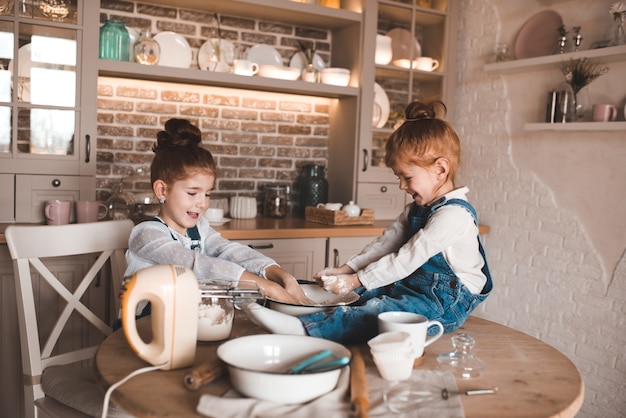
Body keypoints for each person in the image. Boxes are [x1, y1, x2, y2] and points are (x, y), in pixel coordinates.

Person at [244, 101, 493, 344]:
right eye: (399, 177)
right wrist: (348, 270)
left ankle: (302, 329)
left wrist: (357, 279)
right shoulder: (417, 209)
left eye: (407, 177)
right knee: (363, 294)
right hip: (415, 286)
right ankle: (302, 310)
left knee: (380, 311)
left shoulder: (454, 216)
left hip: (446, 302)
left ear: (440, 169)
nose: (402, 186)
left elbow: (406, 258)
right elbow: (386, 244)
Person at [124, 118, 311, 319]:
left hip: (187, 322)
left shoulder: (199, 228)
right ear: (162, 190)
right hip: (145, 330)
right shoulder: (147, 235)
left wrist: (278, 274)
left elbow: (229, 250)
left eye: (207, 194)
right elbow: (198, 265)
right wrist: (269, 288)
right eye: (192, 193)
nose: (202, 203)